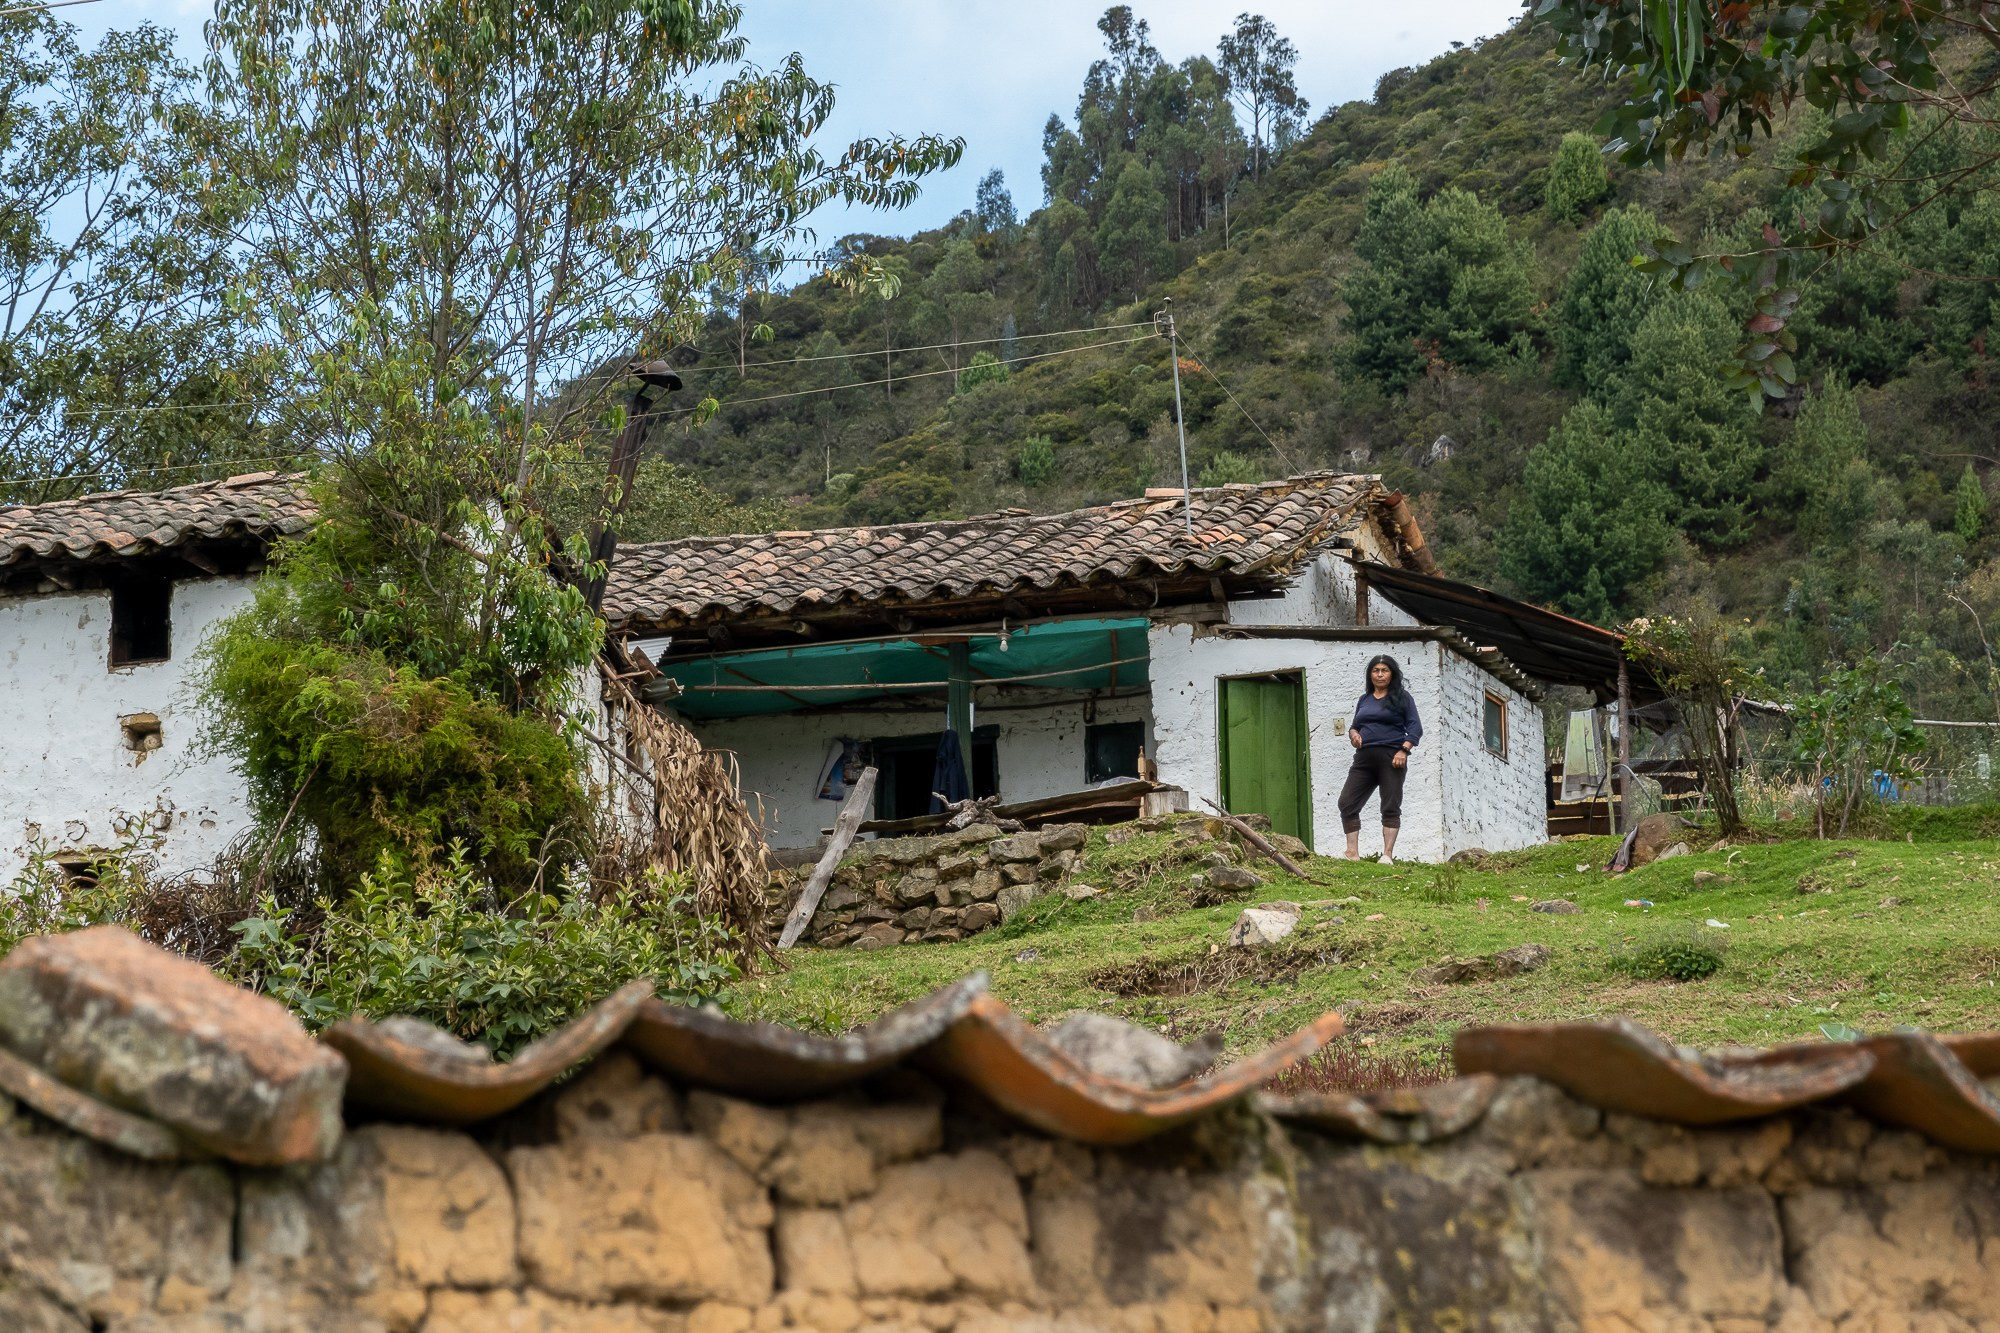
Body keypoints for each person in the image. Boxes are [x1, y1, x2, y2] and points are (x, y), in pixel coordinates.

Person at [1339, 654, 1422, 864]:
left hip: (1392, 757)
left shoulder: (1403, 698)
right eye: (1375, 671)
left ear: (1392, 674)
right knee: (1347, 802)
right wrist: (1353, 735)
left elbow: (1415, 728)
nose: (1379, 674)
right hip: (1364, 759)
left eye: (1384, 670)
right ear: (1370, 675)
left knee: (1390, 805)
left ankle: (1387, 855)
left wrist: (1404, 751)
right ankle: (1352, 853)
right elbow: (1355, 725)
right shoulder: (1364, 699)